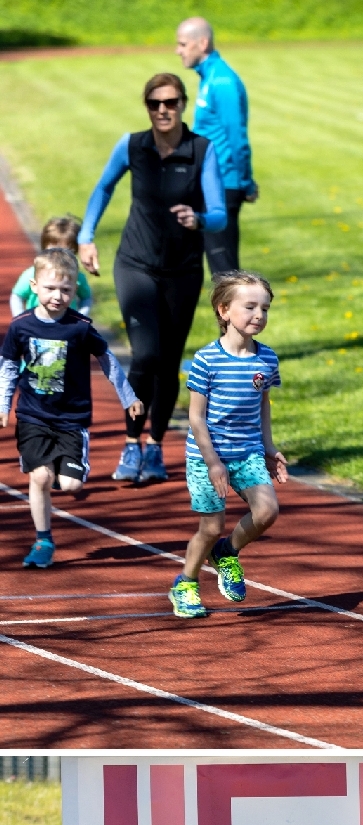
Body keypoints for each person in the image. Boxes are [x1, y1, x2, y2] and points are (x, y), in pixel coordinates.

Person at [78, 72, 226, 489]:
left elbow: (219, 212)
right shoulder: (132, 146)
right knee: (145, 355)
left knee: (167, 362)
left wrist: (198, 219)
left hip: (182, 271)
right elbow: (103, 188)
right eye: (155, 103)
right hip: (135, 264)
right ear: (147, 106)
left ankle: (156, 444)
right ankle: (131, 442)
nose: (163, 110)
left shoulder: (201, 150)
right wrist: (86, 236)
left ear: (182, 104)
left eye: (171, 102)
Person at [0, 248, 142, 569]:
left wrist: (128, 397)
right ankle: (43, 540)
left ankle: (73, 472)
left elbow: (108, 361)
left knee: (71, 485)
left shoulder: (79, 327)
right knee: (39, 477)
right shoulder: (21, 326)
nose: (57, 296)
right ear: (34, 286)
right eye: (50, 288)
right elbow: (8, 365)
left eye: (65, 290)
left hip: (71, 420)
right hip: (32, 415)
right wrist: (3, 404)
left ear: (75, 291)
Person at [169, 271, 286, 619]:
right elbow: (195, 418)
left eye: (264, 309)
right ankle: (186, 583)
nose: (258, 316)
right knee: (211, 526)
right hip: (208, 456)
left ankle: (227, 552)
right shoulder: (206, 360)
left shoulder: (267, 359)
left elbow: (263, 406)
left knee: (267, 511)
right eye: (249, 307)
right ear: (224, 311)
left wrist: (268, 448)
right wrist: (213, 461)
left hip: (248, 452)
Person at [175, 16, 258, 275]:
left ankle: (240, 315)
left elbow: (237, 139)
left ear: (203, 43)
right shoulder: (209, 77)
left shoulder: (222, 82)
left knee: (225, 271)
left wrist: (245, 182)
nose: (178, 50)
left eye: (183, 44)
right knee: (215, 267)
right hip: (210, 182)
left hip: (224, 184)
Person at [9, 217, 93, 318]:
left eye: (68, 251)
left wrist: (82, 315)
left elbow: (86, 297)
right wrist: (19, 317)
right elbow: (17, 296)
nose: (60, 255)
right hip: (36, 325)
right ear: (45, 246)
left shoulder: (77, 277)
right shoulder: (32, 273)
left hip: (67, 326)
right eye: (55, 249)